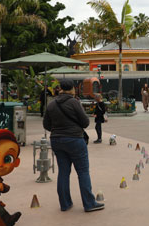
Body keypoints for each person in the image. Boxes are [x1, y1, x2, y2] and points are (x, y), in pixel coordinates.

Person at [43, 79, 104, 212]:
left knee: (63, 172)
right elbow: (85, 122)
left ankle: (65, 204)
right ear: (72, 89)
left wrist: (58, 129)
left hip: (56, 140)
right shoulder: (74, 102)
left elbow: (46, 125)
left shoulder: (52, 104)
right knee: (82, 172)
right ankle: (89, 203)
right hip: (74, 140)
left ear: (60, 89)